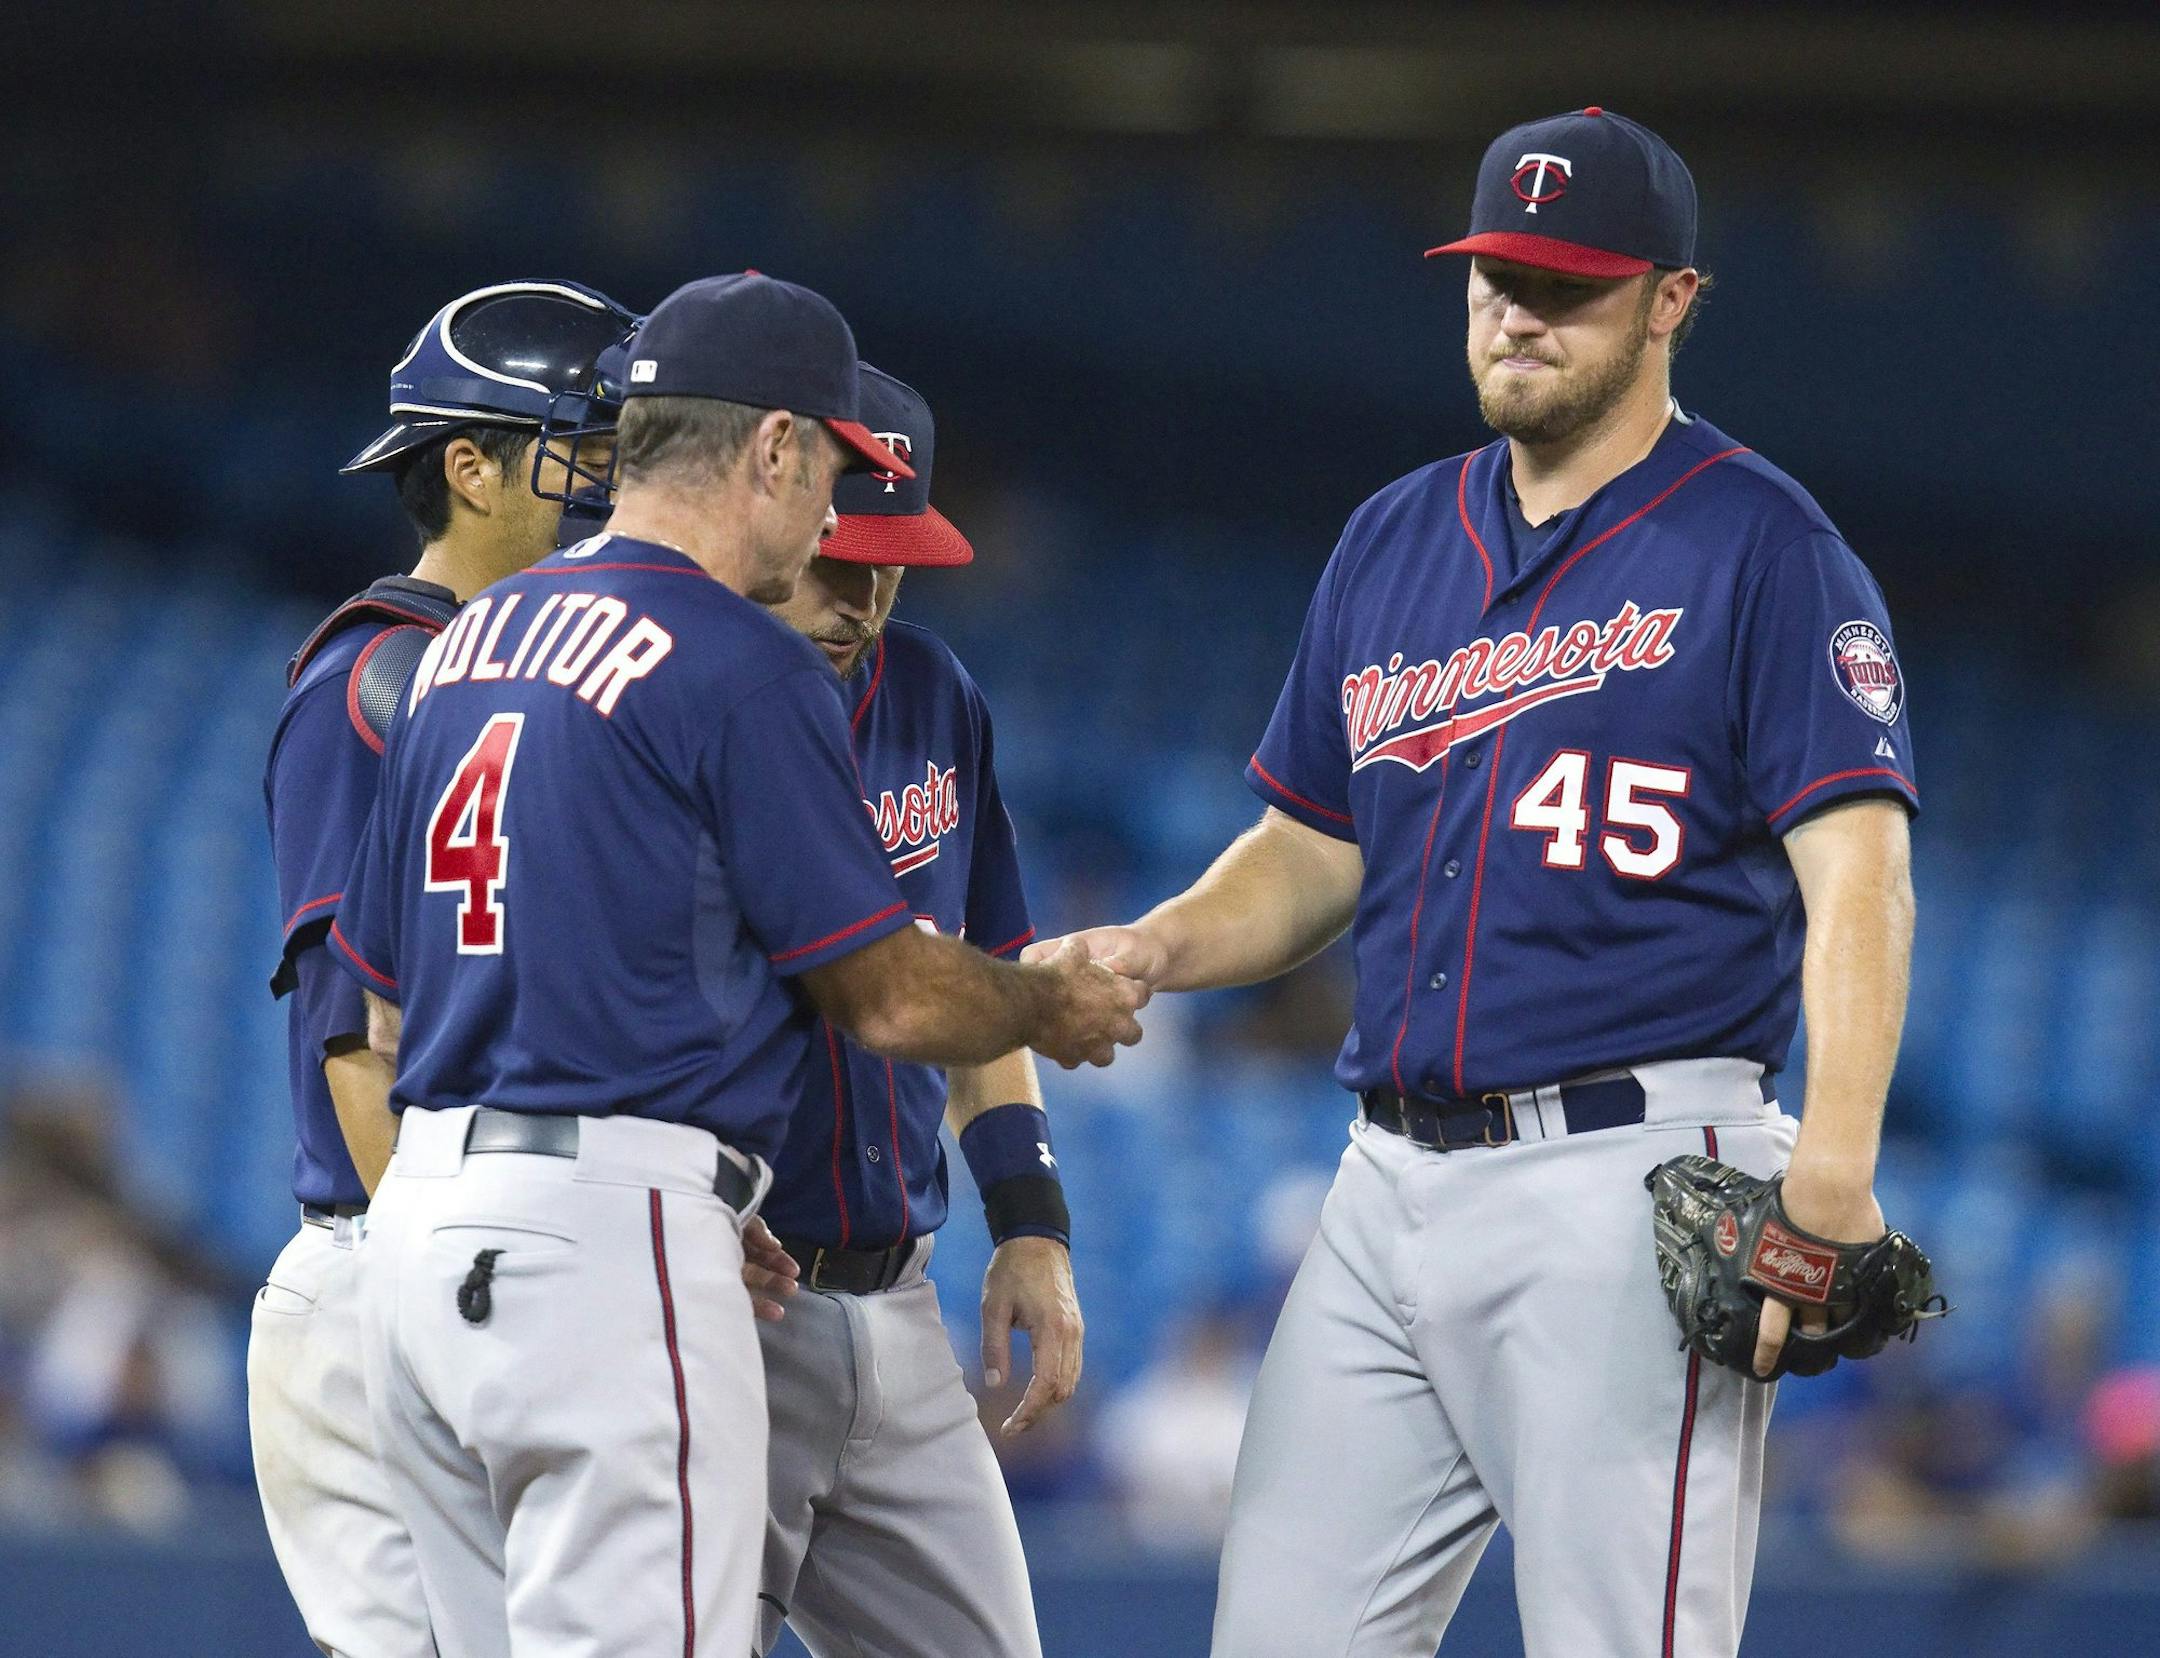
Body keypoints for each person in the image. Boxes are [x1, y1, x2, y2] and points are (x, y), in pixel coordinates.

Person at [1031, 107, 1920, 1657]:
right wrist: (1161, 945)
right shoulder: (1392, 539)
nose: (1520, 309)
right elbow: (1316, 845)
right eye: (1496, 274)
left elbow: (1862, 876)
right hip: (1381, 1183)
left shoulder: (1766, 546)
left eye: (1567, 281)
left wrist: (1832, 1170)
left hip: (1632, 1174)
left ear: (1670, 301)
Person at [326, 273, 1148, 1658]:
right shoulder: (729, 657)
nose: (839, 529)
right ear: (772, 447)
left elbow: (382, 1007)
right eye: (826, 479)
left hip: (438, 1238)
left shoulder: (467, 640)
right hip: (618, 1235)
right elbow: (889, 990)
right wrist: (1047, 1000)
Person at [255, 278, 636, 1657]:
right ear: (467, 465)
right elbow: (354, 1034)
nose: (604, 476)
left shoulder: (529, 673)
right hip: (396, 1268)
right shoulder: (379, 680)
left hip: (487, 1253)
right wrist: (455, 1293)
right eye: (576, 444)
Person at [738, 363, 1075, 1658]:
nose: (863, 595)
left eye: (892, 560)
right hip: (731, 1303)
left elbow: (988, 977)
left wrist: (1032, 1223)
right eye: (836, 557)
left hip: (898, 1303)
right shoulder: (673, 709)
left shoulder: (933, 693)